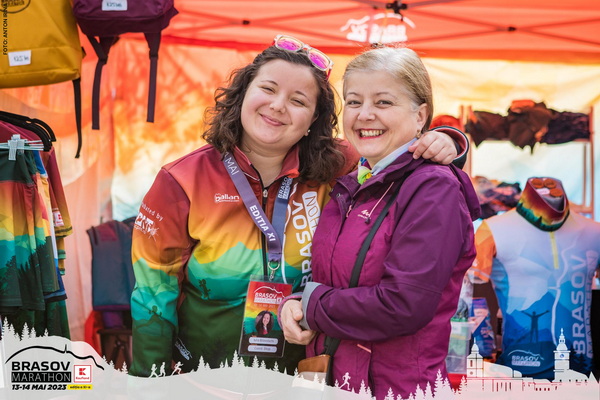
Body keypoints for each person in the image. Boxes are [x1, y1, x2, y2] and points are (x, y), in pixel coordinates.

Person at [129, 34, 469, 377]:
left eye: (298, 100)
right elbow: (153, 295)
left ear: (313, 119)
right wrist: (149, 381)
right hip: (206, 377)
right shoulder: (182, 180)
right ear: (243, 94)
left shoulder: (340, 167)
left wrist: (446, 139)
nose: (278, 106)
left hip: (304, 376)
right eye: (268, 89)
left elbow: (396, 153)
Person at [279, 45, 480, 399]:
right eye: (354, 102)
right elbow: (335, 281)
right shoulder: (350, 182)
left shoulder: (433, 188)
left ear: (420, 116)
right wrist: (295, 303)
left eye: (383, 102)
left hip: (395, 388)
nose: (365, 114)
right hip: (334, 380)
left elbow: (403, 304)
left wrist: (310, 305)